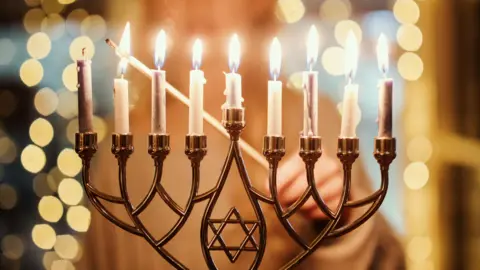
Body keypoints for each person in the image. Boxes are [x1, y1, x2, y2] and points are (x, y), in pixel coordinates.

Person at [79, 0, 405, 269]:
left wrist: (339, 217)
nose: (197, 6)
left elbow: (388, 259)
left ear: (257, 5)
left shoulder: (311, 125)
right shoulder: (125, 150)